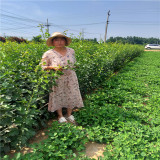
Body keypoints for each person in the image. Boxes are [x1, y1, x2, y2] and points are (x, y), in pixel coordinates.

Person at [41, 32, 84, 123]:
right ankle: (60, 116)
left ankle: (69, 114)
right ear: (53, 42)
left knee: (71, 94)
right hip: (57, 78)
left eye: (62, 39)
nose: (59, 42)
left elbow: (73, 63)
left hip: (71, 77)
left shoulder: (71, 51)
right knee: (58, 95)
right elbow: (42, 67)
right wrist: (53, 67)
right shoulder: (48, 53)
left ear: (65, 41)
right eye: (56, 40)